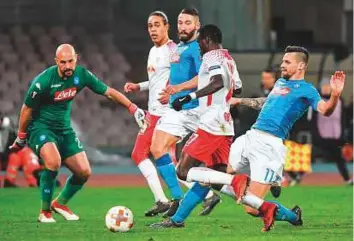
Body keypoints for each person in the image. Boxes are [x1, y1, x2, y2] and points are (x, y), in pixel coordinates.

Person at [174, 46, 346, 232]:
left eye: (287, 62)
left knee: (251, 208)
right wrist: (241, 101)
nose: (282, 65)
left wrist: (335, 95)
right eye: (283, 61)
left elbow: (325, 110)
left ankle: (292, 215)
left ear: (301, 66)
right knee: (213, 174)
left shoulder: (307, 90)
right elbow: (267, 103)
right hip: (250, 137)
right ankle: (176, 219)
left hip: (269, 147)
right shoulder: (280, 83)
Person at [10, 44, 145, 223]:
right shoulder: (43, 81)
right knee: (53, 162)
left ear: (76, 58)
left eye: (70, 61)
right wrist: (21, 136)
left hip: (64, 130)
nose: (67, 66)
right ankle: (45, 212)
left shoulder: (81, 75)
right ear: (56, 62)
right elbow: (26, 109)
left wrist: (132, 107)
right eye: (63, 62)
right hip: (40, 128)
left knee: (84, 172)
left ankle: (60, 204)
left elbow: (109, 93)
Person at [150, 24, 248, 228]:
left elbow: (218, 81)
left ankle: (237, 181)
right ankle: (273, 210)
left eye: (200, 42)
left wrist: (190, 96)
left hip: (210, 124)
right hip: (225, 125)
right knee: (214, 178)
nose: (198, 47)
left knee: (183, 170)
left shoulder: (211, 57)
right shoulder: (229, 59)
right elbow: (237, 88)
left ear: (206, 40)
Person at [149, 8, 220, 218]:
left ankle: (254, 196)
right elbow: (176, 75)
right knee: (157, 148)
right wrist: (169, 91)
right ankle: (177, 199)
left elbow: (203, 77)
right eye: (180, 22)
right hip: (177, 110)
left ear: (197, 26)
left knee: (218, 166)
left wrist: (179, 90)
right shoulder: (178, 48)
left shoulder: (197, 49)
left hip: (196, 110)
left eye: (188, 23)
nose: (183, 27)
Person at [124, 11, 176, 216]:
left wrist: (172, 94)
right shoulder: (153, 51)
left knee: (160, 158)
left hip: (165, 114)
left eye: (157, 25)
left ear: (166, 27)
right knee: (149, 156)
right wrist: (139, 86)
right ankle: (163, 200)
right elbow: (157, 81)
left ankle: (202, 194)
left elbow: (183, 78)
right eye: (150, 26)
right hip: (153, 112)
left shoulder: (173, 51)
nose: (153, 30)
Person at [309, 78, 353, 185]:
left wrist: (343, 136)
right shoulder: (316, 101)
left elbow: (343, 120)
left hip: (336, 136)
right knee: (308, 156)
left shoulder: (340, 101)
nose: (326, 89)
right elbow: (311, 121)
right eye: (324, 87)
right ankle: (297, 177)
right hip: (321, 137)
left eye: (328, 86)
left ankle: (347, 179)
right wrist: (315, 136)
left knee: (339, 158)